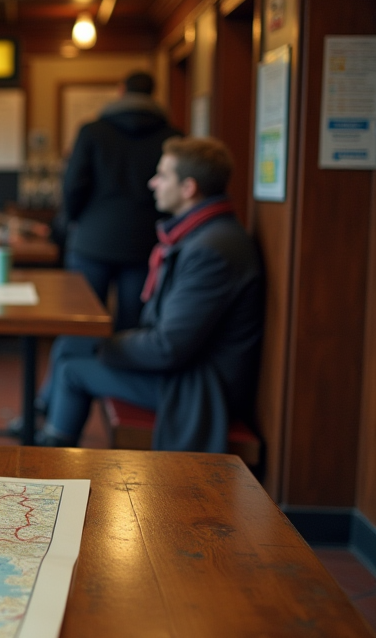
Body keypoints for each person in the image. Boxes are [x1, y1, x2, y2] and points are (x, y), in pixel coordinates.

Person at [37, 137, 263, 452]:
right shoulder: (205, 233)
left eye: (163, 175)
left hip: (198, 386)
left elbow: (168, 347)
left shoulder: (211, 249)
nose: (152, 183)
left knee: (72, 368)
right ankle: (48, 440)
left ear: (189, 188)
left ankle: (51, 459)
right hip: (187, 369)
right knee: (71, 345)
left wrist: (104, 345)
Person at [63, 71, 181, 332]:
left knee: (80, 323)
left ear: (120, 90)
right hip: (144, 241)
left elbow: (73, 185)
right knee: (133, 329)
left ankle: (77, 372)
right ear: (153, 94)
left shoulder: (93, 132)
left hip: (93, 238)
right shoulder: (172, 137)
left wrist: (73, 220)